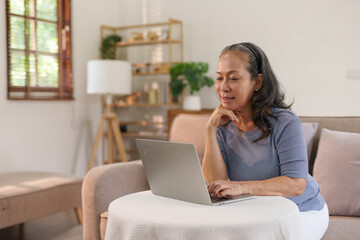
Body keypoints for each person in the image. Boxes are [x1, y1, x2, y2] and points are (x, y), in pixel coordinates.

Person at [202, 42, 329, 240]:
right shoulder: (223, 126)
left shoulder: (285, 122)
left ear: (257, 82)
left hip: (301, 211)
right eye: (219, 78)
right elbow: (214, 183)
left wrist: (242, 187)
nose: (223, 87)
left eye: (233, 78)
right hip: (258, 214)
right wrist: (210, 129)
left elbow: (295, 185)